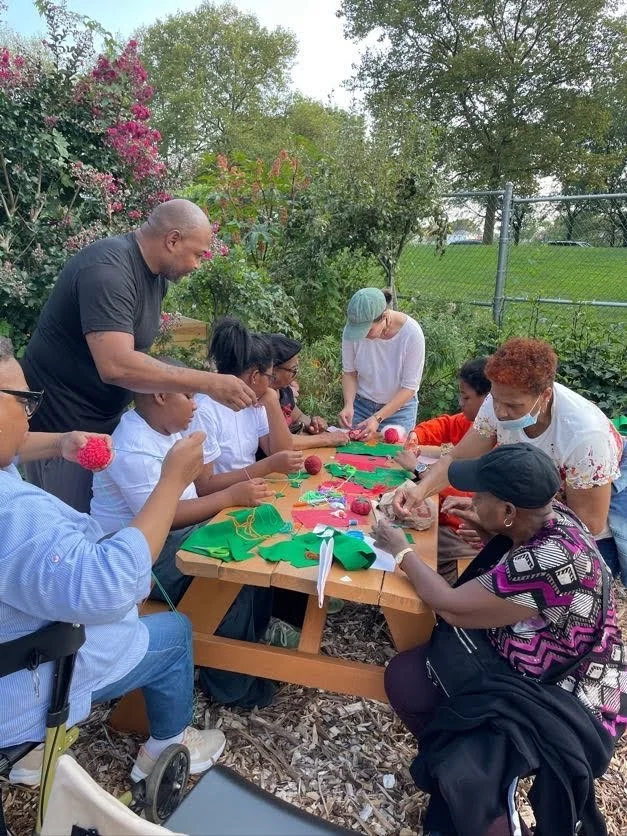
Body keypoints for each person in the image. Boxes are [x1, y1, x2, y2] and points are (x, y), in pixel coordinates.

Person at [0, 337, 225, 786]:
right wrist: (172, 480)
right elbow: (108, 588)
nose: (30, 415)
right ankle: (166, 745)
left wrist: (60, 443)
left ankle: (31, 752)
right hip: (22, 681)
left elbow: (13, 447)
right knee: (174, 632)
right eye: (24, 401)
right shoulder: (16, 513)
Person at [376, 444, 627, 836]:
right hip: (548, 662)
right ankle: (457, 764)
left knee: (462, 765)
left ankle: (485, 804)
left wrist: (401, 549)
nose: (473, 499)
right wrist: (491, 529)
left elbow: (450, 606)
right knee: (408, 677)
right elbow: (525, 560)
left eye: (481, 495)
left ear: (510, 510)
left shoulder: (549, 559)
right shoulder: (556, 515)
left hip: (574, 695)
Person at [21, 199, 255, 512]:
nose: (198, 265)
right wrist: (209, 382)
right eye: (198, 254)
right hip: (65, 430)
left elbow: (138, 359)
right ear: (173, 240)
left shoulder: (155, 280)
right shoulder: (109, 271)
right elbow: (116, 365)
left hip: (107, 422)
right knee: (76, 528)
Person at [89, 357, 277, 708]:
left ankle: (249, 651)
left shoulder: (170, 431)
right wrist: (229, 497)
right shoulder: (132, 446)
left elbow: (195, 493)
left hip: (169, 538)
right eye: (188, 396)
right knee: (229, 574)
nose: (195, 406)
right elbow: (167, 516)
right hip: (137, 557)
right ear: (160, 395)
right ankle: (232, 686)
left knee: (255, 545)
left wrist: (234, 496)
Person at [393, 337, 627, 583]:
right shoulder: (498, 402)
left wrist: (499, 525)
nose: (501, 412)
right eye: (495, 400)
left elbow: (586, 524)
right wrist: (418, 493)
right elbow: (455, 458)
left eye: (513, 405)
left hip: (583, 525)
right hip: (534, 513)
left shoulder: (585, 437)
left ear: (545, 396)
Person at [394, 357, 491, 581]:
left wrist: (418, 468)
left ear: (488, 399)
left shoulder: (496, 436)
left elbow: (456, 489)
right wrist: (416, 436)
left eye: (466, 397)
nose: (461, 402)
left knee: (402, 546)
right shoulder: (476, 422)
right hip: (455, 524)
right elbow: (444, 425)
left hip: (463, 533)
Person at [190, 318, 304, 489]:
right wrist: (267, 466)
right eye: (270, 377)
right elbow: (204, 486)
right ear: (255, 376)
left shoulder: (254, 401)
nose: (271, 383)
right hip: (222, 501)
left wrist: (272, 401)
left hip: (250, 492)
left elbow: (283, 453)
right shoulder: (205, 410)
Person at [340, 288, 425, 438]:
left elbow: (409, 388)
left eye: (368, 330)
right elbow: (349, 373)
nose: (362, 336)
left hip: (399, 411)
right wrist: (348, 405)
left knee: (395, 452)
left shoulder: (412, 334)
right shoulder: (351, 331)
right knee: (352, 450)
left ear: (384, 317)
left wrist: (377, 418)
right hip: (361, 406)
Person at [268, 333, 349, 450]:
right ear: (273, 371)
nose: (296, 374)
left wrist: (313, 423)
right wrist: (327, 439)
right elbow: (282, 442)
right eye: (293, 370)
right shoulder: (262, 399)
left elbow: (299, 416)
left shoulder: (284, 391)